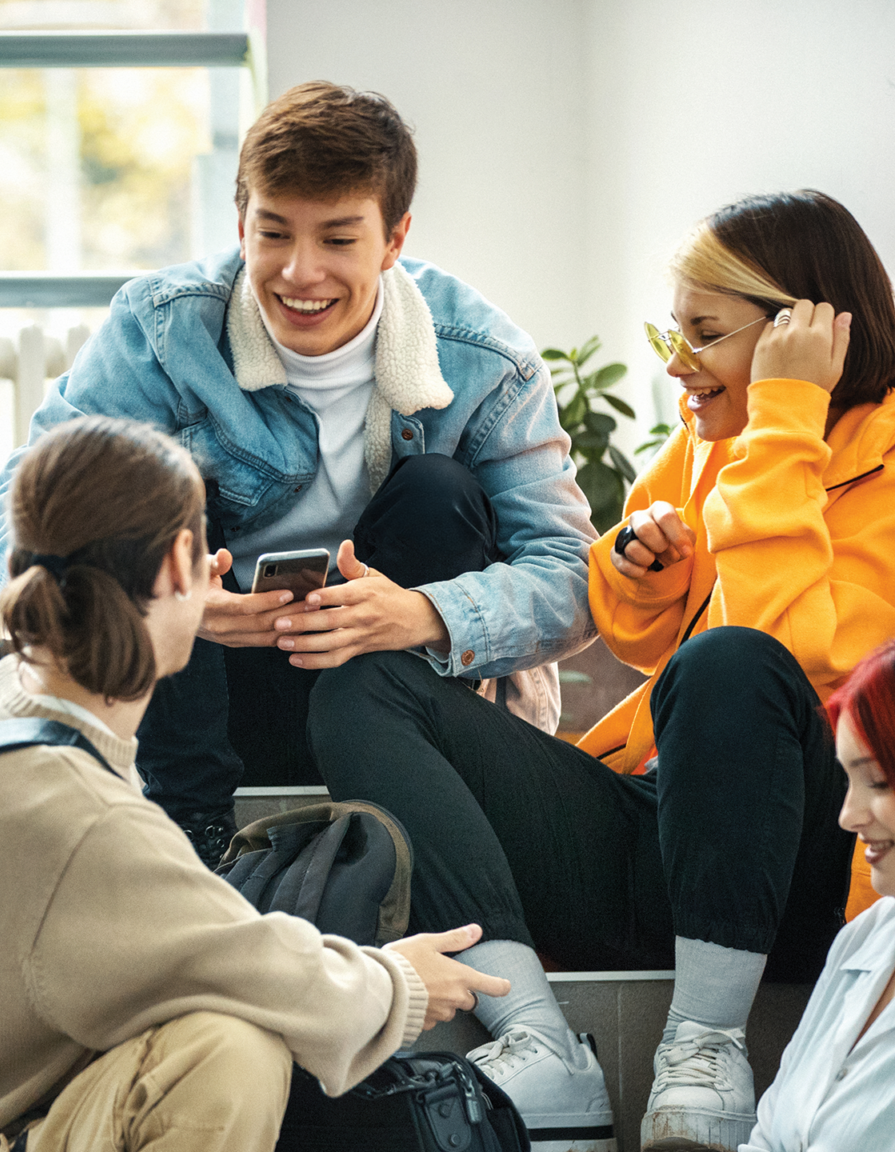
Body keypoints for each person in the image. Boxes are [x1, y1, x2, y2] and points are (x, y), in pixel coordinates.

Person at [307, 189, 895, 1152]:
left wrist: (789, 417)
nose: (677, 364)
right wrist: (641, 569)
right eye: (675, 330)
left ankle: (705, 1047)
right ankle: (536, 1039)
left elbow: (788, 663)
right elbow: (636, 640)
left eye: (705, 334)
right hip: (661, 832)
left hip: (797, 868)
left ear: (801, 331)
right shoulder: (717, 446)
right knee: (366, 682)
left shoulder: (841, 452)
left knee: (736, 664)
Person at [0, 81, 595, 865]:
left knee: (441, 492)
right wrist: (165, 602)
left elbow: (573, 575)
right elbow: (18, 523)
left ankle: (402, 827)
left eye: (338, 240)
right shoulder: (162, 330)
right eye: (274, 235)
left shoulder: (485, 360)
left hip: (395, 694)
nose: (301, 274)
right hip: (200, 703)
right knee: (160, 494)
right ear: (241, 225)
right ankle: (192, 845)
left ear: (394, 238)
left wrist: (422, 615)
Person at [0, 415, 512, 1152]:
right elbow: (238, 960)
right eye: (203, 556)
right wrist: (399, 984)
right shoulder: (72, 804)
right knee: (229, 1051)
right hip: (3, 1136)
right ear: (173, 567)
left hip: (32, 1099)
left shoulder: (9, 694)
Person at [744, 638, 895, 1151]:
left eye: (876, 782)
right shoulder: (865, 938)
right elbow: (769, 1136)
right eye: (847, 781)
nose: (848, 817)